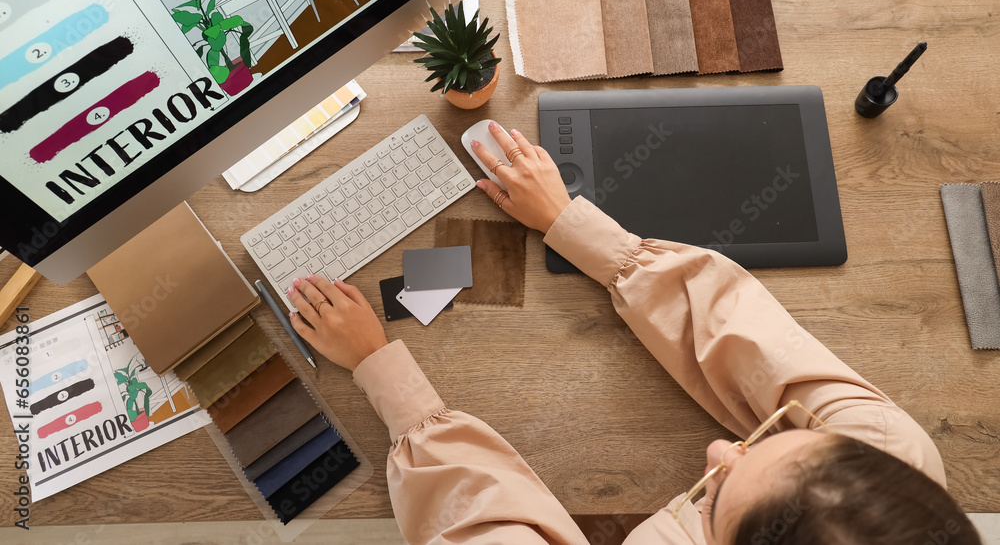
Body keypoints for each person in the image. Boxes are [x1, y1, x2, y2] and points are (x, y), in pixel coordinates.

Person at [287, 122, 981, 544]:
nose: (720, 448)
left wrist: (383, 371)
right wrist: (572, 224)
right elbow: (741, 328)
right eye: (785, 432)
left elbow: (480, 524)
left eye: (716, 502)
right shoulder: (895, 461)